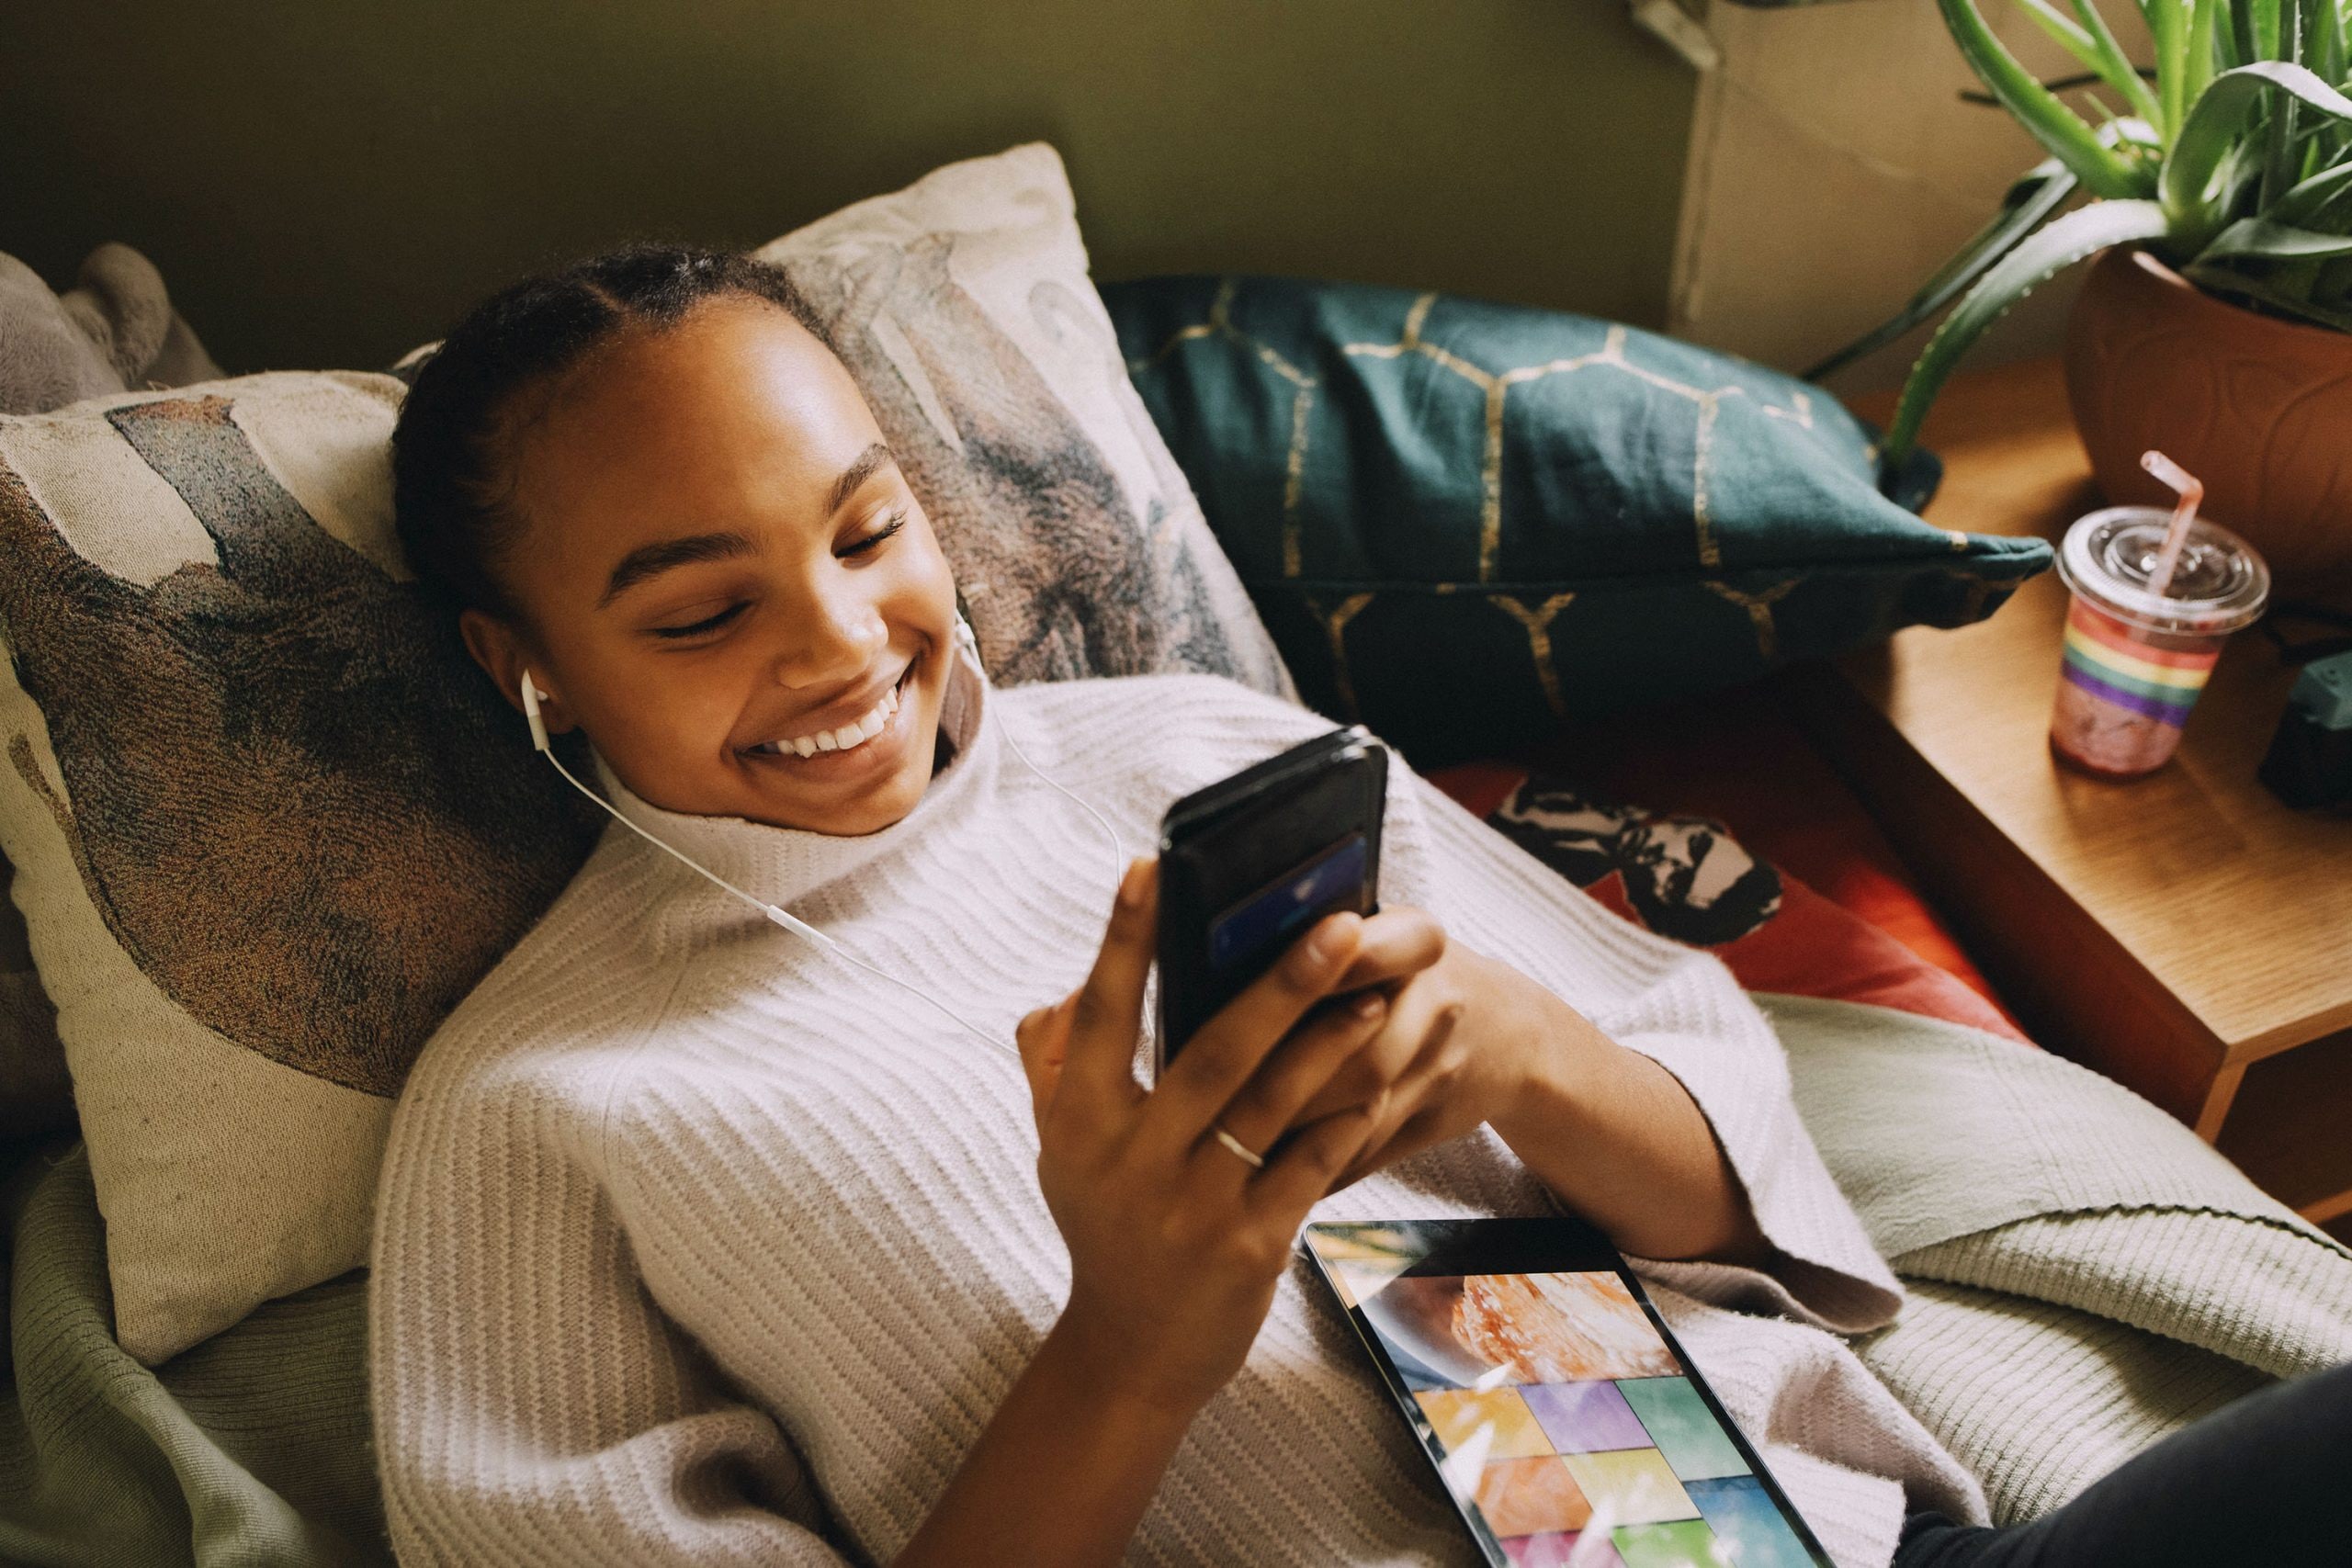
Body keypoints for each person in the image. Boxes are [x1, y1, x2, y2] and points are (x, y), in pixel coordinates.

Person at [371, 244, 2344, 1568]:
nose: (838, 641)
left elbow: (1756, 1216)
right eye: (700, 611)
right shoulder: (544, 1109)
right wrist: (1130, 1349)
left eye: (869, 527)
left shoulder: (1195, 749)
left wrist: (1523, 1047)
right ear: (521, 661)